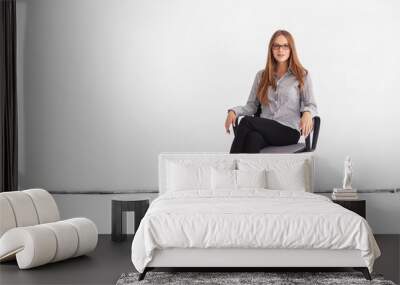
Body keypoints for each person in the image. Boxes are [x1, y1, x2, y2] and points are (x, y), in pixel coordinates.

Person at [225, 29, 318, 153]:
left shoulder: (302, 75)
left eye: (285, 46)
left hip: (288, 131)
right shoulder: (261, 76)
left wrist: (307, 113)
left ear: (291, 49)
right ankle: (247, 172)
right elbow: (251, 106)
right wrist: (234, 111)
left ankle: (230, 167)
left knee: (246, 122)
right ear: (271, 49)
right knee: (253, 138)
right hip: (265, 129)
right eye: (276, 46)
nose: (280, 50)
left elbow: (311, 104)